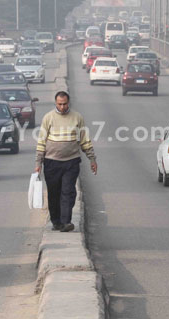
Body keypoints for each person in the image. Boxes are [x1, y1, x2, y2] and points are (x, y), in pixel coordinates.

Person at [35, 91, 97, 232]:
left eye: (64, 104)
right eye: (59, 104)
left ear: (68, 103)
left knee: (68, 191)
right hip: (51, 162)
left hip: (71, 162)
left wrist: (92, 159)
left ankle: (66, 222)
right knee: (53, 193)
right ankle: (56, 221)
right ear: (56, 103)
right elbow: (41, 142)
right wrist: (38, 163)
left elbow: (85, 140)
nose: (62, 107)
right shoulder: (48, 118)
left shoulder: (77, 117)